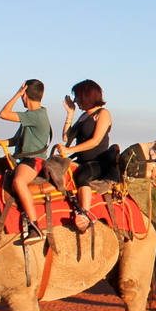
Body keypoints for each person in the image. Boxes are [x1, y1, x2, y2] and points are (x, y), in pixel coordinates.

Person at [0, 80, 52, 244]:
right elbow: (16, 139)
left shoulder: (35, 115)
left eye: (22, 95)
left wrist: (17, 94)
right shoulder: (31, 116)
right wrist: (2, 142)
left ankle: (35, 226)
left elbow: (3, 114)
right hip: (25, 159)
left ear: (25, 95)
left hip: (34, 160)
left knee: (19, 182)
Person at [56, 79, 116, 232]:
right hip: (82, 159)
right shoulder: (83, 116)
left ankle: (85, 214)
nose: (75, 100)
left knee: (82, 177)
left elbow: (95, 141)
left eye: (77, 96)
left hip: (99, 161)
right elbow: (66, 138)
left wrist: (69, 151)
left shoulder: (103, 114)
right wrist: (70, 114)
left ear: (86, 95)